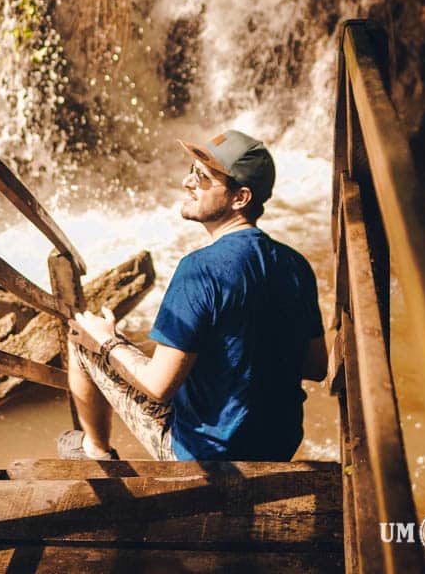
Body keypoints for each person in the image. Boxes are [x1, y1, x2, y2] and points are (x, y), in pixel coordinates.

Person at [60, 129, 327, 462]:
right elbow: (316, 366)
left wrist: (108, 342)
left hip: (205, 457)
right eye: (192, 172)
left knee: (82, 334)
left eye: (203, 177)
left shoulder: (199, 269)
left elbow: (159, 388)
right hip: (277, 448)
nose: (188, 183)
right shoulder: (295, 265)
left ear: (240, 198)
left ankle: (96, 452)